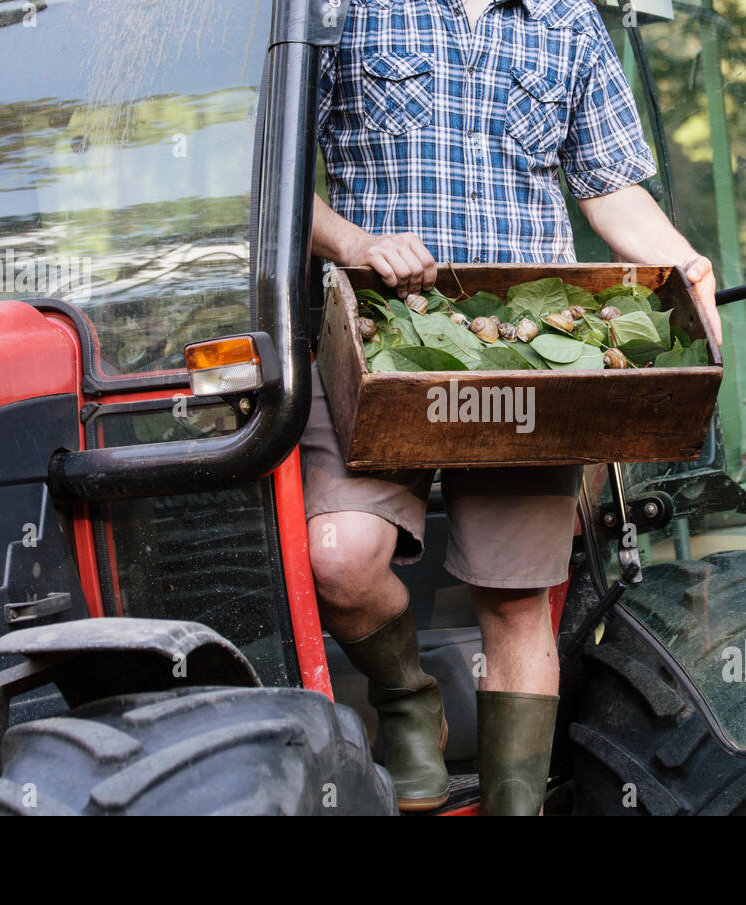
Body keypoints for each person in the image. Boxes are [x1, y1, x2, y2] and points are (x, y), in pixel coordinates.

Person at [305, 0, 720, 815]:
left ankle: (513, 806)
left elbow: (609, 190)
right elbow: (274, 182)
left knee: (516, 601)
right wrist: (354, 244)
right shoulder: (346, 7)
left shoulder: (565, 21)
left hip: (526, 353)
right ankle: (406, 705)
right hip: (378, 335)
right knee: (341, 556)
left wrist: (686, 264)